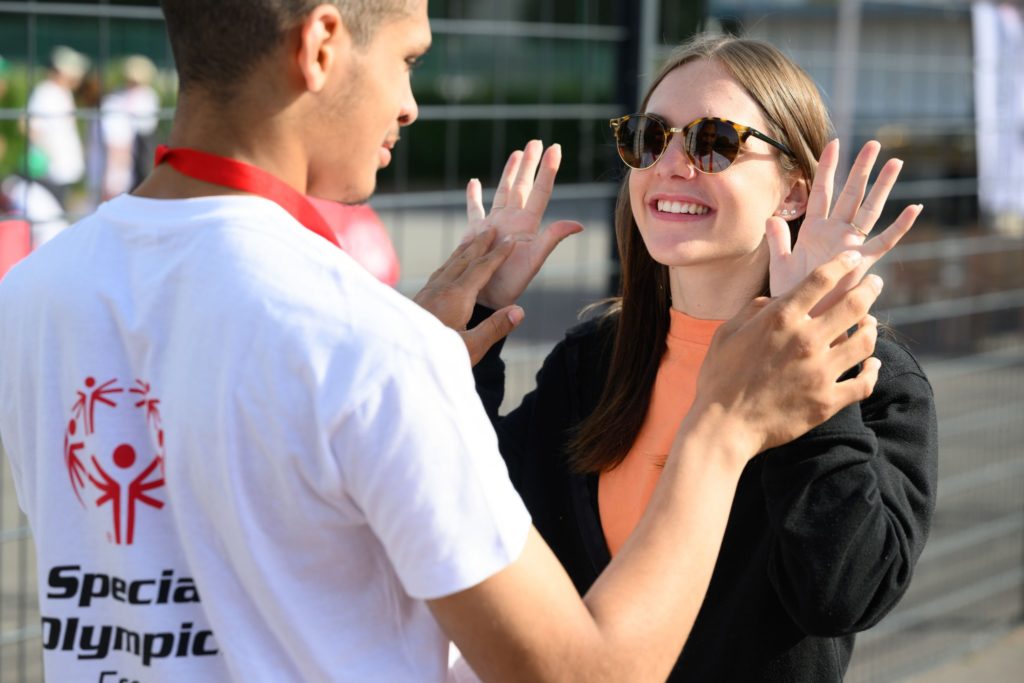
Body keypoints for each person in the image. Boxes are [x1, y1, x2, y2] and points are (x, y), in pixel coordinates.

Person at [0, 4, 885, 682]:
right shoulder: (369, 341)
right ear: (320, 46)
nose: (412, 103)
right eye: (409, 59)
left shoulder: (36, 294)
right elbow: (587, 671)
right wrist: (723, 428)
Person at [465, 34, 938, 681]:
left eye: (714, 141)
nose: (671, 164)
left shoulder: (873, 377)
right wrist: (478, 307)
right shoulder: (592, 360)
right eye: (649, 137)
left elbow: (842, 592)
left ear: (795, 191)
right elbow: (468, 496)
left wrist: (813, 352)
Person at [26, 45, 90, 207]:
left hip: (63, 171)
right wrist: (48, 159)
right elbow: (33, 130)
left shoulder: (63, 92)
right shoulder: (45, 92)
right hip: (51, 173)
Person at [100, 55, 161, 199]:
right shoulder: (115, 99)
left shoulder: (148, 96)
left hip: (143, 149)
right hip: (123, 153)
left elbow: (148, 125)